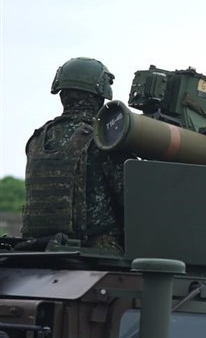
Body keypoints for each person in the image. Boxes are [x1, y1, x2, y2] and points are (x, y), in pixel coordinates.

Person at [22, 57, 127, 252]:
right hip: (97, 251)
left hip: (40, 248)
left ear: (62, 96)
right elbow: (130, 199)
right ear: (99, 96)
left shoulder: (37, 139)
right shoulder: (102, 139)